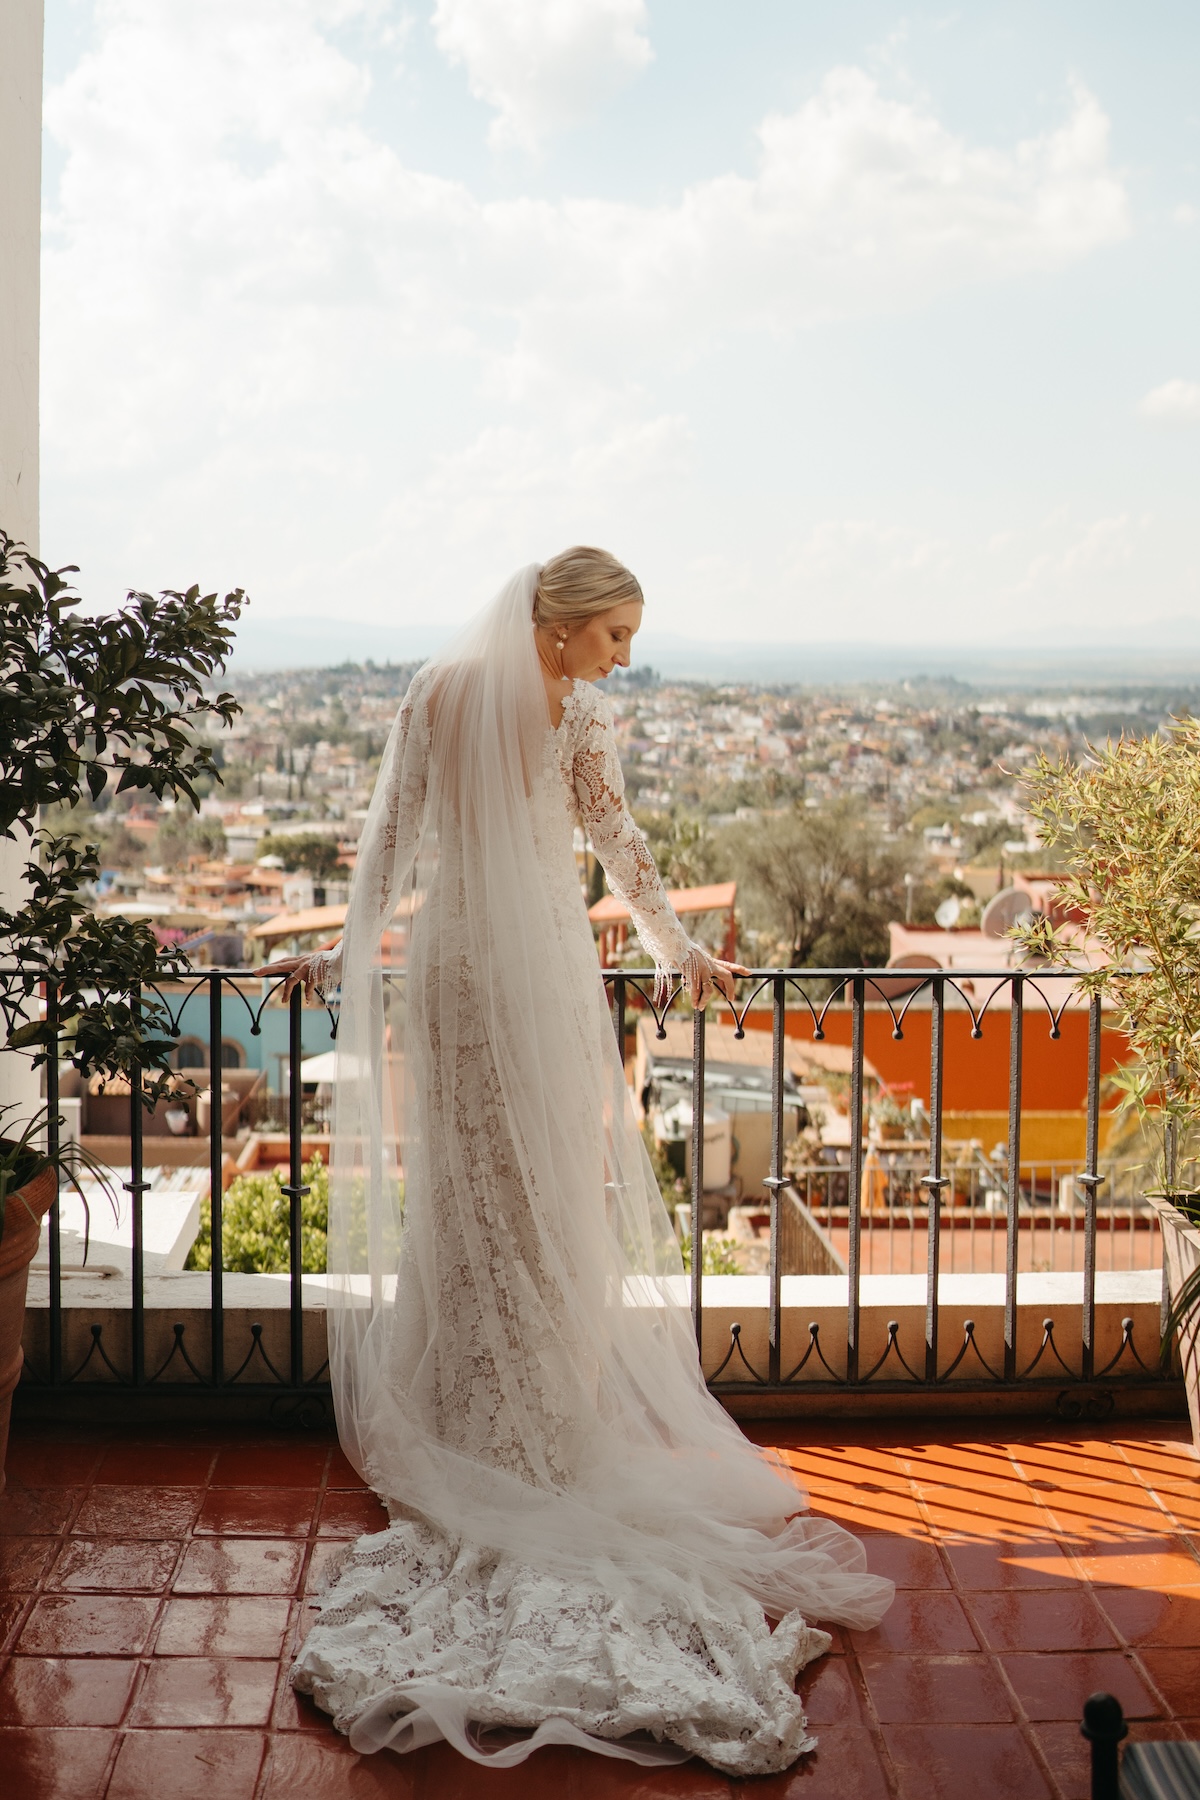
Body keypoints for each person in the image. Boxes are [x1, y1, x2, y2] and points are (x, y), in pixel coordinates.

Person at [264, 550, 892, 1774]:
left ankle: (471, 1410)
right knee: (543, 1197)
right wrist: (677, 945)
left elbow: (388, 841)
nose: (620, 657)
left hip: (452, 975)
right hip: (537, 979)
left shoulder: (439, 691)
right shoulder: (575, 716)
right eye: (612, 636)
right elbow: (617, 845)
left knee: (474, 1194)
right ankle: (534, 1421)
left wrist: (344, 952)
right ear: (557, 632)